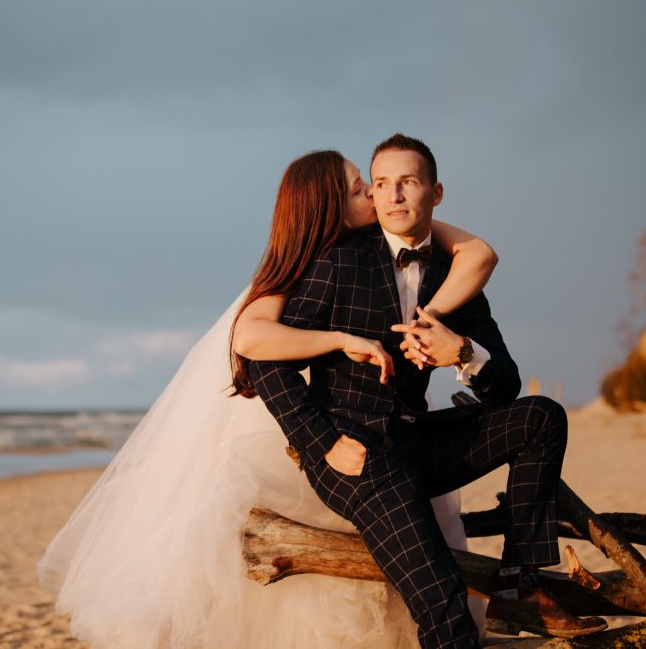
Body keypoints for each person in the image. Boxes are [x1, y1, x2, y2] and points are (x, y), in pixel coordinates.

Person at [37, 149, 496, 648]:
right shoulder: (298, 267)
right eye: (358, 185)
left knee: (405, 549)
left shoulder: (381, 244)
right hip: (289, 420)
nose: (374, 191)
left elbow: (475, 252)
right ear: (330, 207)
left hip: (375, 424)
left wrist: (422, 259)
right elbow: (251, 339)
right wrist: (339, 341)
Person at [248, 134, 608, 648]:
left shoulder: (452, 274)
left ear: (435, 194)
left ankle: (518, 585)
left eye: (407, 183)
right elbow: (264, 361)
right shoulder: (339, 262)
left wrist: (462, 353)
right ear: (370, 194)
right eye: (380, 185)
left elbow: (504, 383)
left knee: (541, 417)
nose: (393, 196)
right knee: (445, 602)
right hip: (359, 455)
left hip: (418, 440)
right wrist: (320, 441)